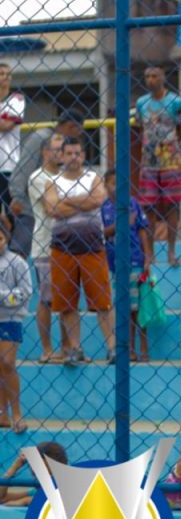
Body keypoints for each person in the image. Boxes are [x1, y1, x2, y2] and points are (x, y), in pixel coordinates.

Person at [44, 137, 114, 366]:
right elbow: (52, 209)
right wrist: (82, 201)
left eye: (77, 153)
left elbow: (98, 199)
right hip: (62, 250)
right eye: (69, 153)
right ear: (61, 156)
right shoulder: (51, 182)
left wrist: (66, 202)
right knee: (66, 303)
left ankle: (112, 347)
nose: (73, 157)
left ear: (83, 156)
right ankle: (74, 347)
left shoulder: (93, 178)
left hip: (92, 247)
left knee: (102, 301)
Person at [10, 110, 86, 260]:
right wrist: (17, 197)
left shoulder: (63, 145)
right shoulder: (42, 137)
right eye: (78, 131)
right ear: (72, 127)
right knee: (20, 254)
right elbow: (23, 169)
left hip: (53, 206)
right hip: (29, 205)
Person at [136, 65, 181, 266]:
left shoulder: (174, 102)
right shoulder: (141, 103)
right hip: (149, 162)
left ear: (163, 77)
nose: (151, 80)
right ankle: (150, 254)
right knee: (148, 207)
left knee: (172, 207)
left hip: (170, 161)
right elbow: (142, 128)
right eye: (147, 76)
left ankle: (171, 252)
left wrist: (170, 148)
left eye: (155, 76)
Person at [101, 170, 154, 361]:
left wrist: (147, 256)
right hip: (115, 264)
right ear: (106, 185)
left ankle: (144, 348)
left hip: (134, 261)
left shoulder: (133, 204)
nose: (117, 187)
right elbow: (102, 233)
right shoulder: (104, 208)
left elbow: (141, 230)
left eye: (120, 183)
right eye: (113, 183)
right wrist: (119, 224)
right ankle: (129, 349)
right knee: (123, 308)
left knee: (138, 306)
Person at [27, 134, 66, 362]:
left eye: (62, 149)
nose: (59, 153)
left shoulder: (64, 177)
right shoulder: (37, 178)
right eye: (56, 149)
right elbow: (52, 207)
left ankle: (68, 347)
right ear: (44, 152)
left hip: (66, 243)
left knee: (66, 298)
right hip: (45, 245)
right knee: (47, 298)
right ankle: (47, 348)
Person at [0, 223, 31, 434]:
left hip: (10, 318)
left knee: (7, 363)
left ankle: (17, 413)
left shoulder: (16, 262)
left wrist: (3, 299)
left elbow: (26, 291)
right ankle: (2, 413)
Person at [0, 442, 67, 506]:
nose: (34, 470)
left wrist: (26, 501)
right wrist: (16, 466)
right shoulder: (36, 490)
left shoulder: (63, 487)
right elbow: (2, 498)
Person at [0, 64, 25, 229]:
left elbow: (7, 126)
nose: (6, 77)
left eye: (8, 74)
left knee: (11, 210)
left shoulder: (16, 99)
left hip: (8, 165)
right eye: (1, 73)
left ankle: (12, 249)